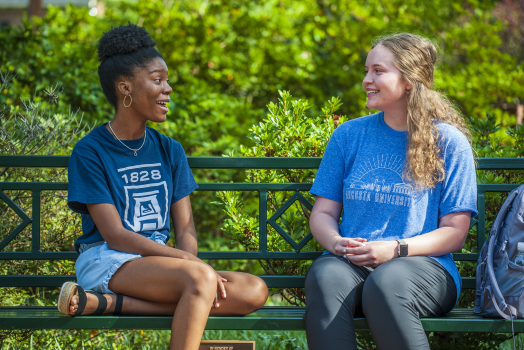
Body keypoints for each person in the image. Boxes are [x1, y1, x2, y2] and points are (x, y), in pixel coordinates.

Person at [57, 23, 268, 350]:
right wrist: (192, 268)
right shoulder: (91, 151)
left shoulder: (170, 149)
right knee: (200, 281)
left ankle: (109, 303)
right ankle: (135, 293)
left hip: (161, 265)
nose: (168, 88)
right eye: (157, 80)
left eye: (167, 80)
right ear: (125, 88)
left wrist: (188, 261)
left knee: (254, 290)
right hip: (107, 259)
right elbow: (115, 234)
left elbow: (186, 229)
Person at [304, 33, 477, 350]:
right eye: (366, 70)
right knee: (324, 275)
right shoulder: (349, 135)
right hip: (352, 264)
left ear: (408, 80)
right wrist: (336, 243)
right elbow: (324, 212)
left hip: (424, 269)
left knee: (386, 283)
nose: (366, 80)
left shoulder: (449, 142)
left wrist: (395, 249)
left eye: (378, 71)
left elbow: (454, 232)